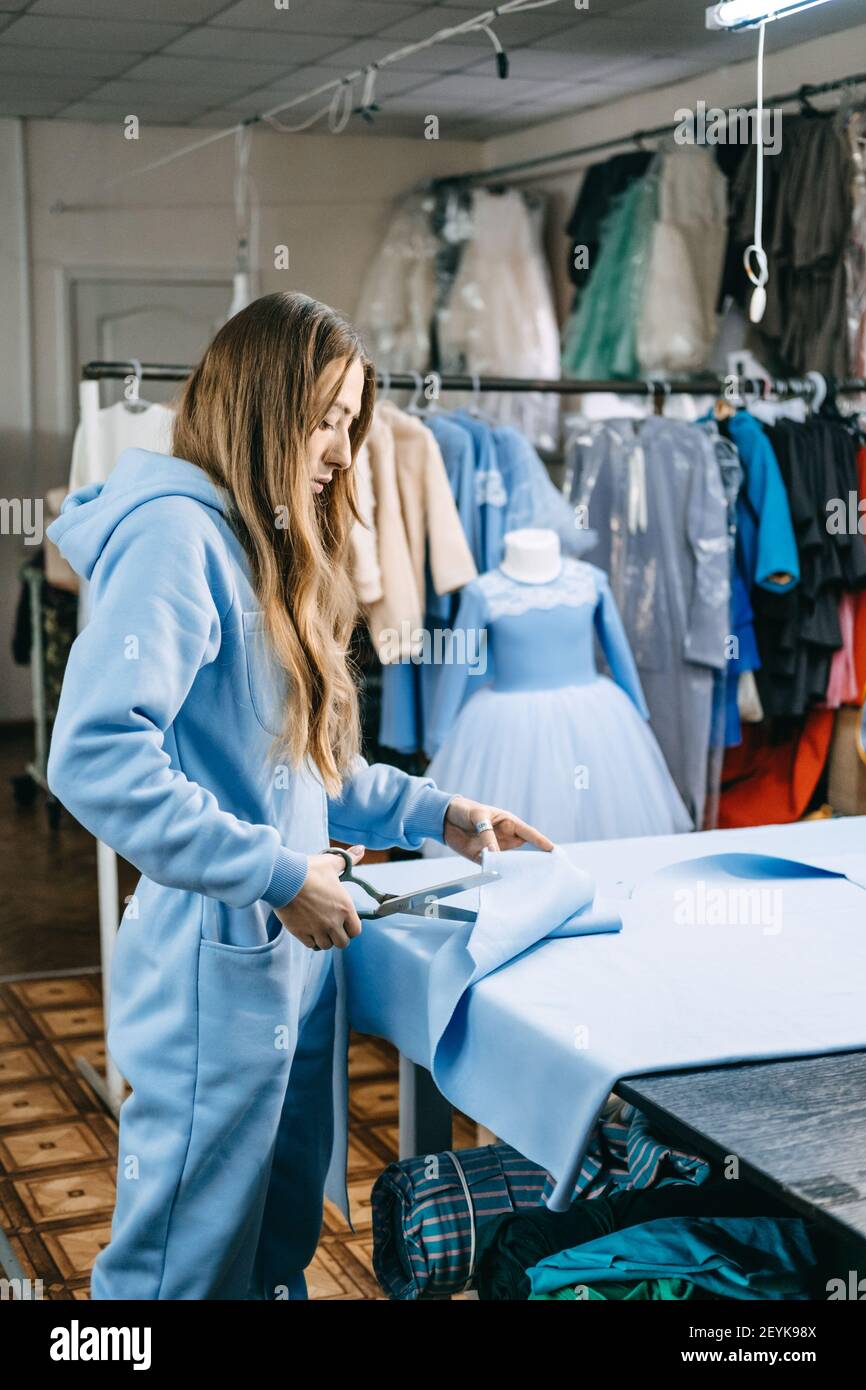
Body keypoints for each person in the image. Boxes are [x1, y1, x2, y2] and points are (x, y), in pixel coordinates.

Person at [47, 291, 553, 1301]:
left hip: (283, 964)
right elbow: (93, 754)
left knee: (271, 1247)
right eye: (324, 420)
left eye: (352, 424)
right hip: (214, 972)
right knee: (172, 1277)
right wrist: (276, 874)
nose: (339, 450)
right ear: (261, 406)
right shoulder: (176, 542)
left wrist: (438, 813)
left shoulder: (262, 546)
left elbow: (306, 768)